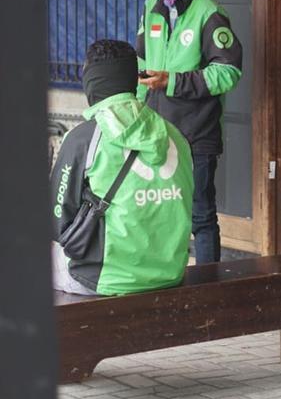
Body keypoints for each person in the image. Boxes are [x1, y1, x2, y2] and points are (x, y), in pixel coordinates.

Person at [50, 39, 195, 296]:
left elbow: (56, 220)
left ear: (92, 80)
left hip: (106, 279)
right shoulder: (176, 136)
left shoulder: (84, 139)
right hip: (170, 273)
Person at [136, 0, 242, 264]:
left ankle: (209, 295)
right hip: (155, 134)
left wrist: (173, 81)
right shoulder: (152, 6)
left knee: (200, 217)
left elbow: (228, 73)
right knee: (157, 211)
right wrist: (135, 115)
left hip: (196, 136)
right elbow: (141, 64)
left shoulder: (209, 13)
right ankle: (165, 285)